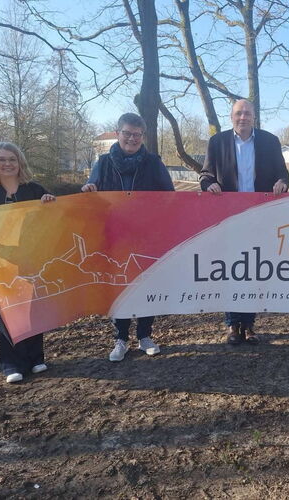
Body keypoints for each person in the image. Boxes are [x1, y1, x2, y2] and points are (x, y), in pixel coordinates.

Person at [82, 112, 174, 362]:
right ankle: (120, 338)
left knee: (146, 284)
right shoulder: (103, 163)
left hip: (147, 236)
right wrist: (88, 190)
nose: (132, 138)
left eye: (137, 134)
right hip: (114, 237)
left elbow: (170, 196)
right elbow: (91, 190)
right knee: (119, 287)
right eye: (127, 133)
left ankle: (145, 335)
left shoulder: (153, 162)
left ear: (143, 136)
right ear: (117, 133)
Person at [200, 99, 289, 345]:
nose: (243, 117)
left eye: (247, 113)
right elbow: (206, 174)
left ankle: (249, 324)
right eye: (239, 113)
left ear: (254, 116)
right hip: (228, 217)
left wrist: (282, 182)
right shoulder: (217, 142)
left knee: (252, 270)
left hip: (260, 216)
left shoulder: (270, 141)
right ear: (231, 117)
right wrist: (209, 184)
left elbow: (283, 173)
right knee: (230, 269)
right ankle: (232, 324)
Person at [0, 142, 56, 383]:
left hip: (31, 258)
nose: (7, 164)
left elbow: (53, 217)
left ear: (20, 163)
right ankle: (11, 364)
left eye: (12, 159)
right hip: (1, 262)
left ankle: (35, 358)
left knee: (33, 306)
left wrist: (50, 202)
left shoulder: (34, 189)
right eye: (1, 159)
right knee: (7, 310)